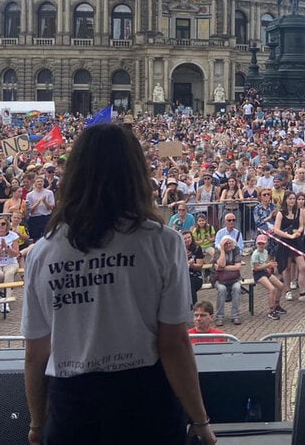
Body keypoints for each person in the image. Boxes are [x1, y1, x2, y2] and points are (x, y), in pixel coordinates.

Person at [21, 123, 214, 445]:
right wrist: (200, 419)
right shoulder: (162, 242)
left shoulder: (43, 251)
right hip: (144, 402)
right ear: (136, 173)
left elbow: (35, 353)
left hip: (72, 406)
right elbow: (174, 344)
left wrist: (37, 422)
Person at [251, 234, 285, 320]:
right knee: (271, 289)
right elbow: (256, 268)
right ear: (256, 244)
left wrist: (270, 265)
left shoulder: (265, 252)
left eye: (263, 244)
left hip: (264, 271)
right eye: (259, 244)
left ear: (266, 244)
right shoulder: (255, 254)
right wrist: (268, 265)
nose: (261, 245)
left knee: (280, 285)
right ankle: (271, 310)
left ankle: (277, 305)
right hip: (257, 273)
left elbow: (265, 264)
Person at [212, 236, 243, 326]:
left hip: (234, 278)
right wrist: (222, 249)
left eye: (230, 243)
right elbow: (220, 264)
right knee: (222, 289)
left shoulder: (236, 249)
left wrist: (223, 268)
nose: (228, 245)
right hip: (219, 279)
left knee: (237, 288)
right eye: (226, 244)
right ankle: (219, 317)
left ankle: (235, 316)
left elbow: (237, 267)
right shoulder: (218, 251)